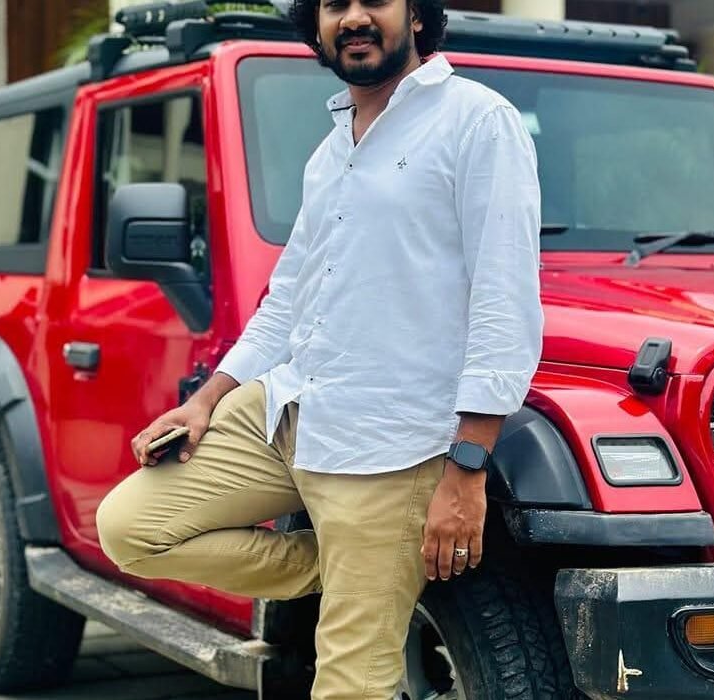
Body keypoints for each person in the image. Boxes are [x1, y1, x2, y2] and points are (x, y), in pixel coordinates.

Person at [95, 0, 543, 695]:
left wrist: (467, 467)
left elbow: (503, 300)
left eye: (374, 1)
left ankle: (371, 564)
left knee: (348, 684)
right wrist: (208, 399)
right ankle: (345, 563)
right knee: (130, 528)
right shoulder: (332, 149)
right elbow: (288, 299)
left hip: (390, 443)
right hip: (287, 411)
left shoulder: (477, 121)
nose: (353, 18)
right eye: (335, 5)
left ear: (416, 16)